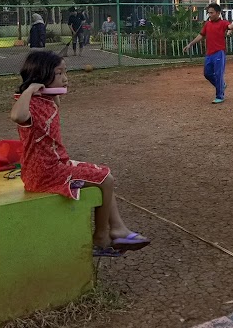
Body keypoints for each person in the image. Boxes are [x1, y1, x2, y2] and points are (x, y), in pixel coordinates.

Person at [9, 50, 150, 257]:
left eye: (65, 72)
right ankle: (101, 237)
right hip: (44, 173)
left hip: (55, 164)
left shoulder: (46, 101)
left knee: (103, 172)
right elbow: (17, 115)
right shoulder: (30, 104)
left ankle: (118, 228)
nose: (65, 78)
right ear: (42, 77)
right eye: (59, 73)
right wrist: (30, 90)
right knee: (105, 179)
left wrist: (52, 93)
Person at [183, 3, 233, 104]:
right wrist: (190, 44)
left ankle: (219, 96)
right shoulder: (207, 24)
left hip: (219, 52)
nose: (210, 15)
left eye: (211, 13)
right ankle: (221, 85)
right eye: (208, 13)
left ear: (218, 13)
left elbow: (229, 26)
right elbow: (201, 35)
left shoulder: (223, 23)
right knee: (207, 74)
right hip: (209, 53)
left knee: (218, 74)